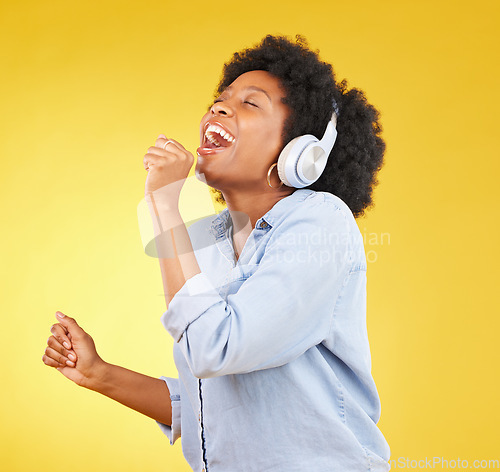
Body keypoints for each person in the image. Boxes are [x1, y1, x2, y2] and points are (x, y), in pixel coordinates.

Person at [43, 35, 390, 471]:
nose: (219, 109)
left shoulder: (321, 223)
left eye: (251, 103)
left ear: (304, 154)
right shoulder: (206, 240)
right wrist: (100, 374)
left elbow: (216, 348)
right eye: (220, 100)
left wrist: (165, 203)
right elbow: (212, 409)